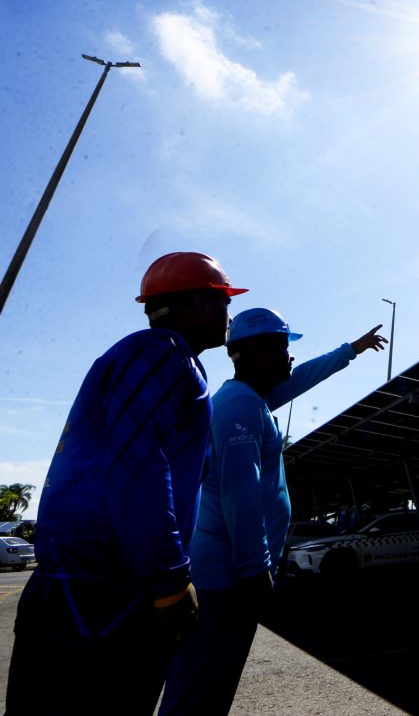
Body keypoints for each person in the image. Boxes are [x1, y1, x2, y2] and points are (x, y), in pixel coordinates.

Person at [4, 252, 248, 715]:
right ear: (199, 301)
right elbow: (138, 465)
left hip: (78, 587)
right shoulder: (164, 354)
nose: (227, 315)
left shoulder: (144, 356)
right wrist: (170, 582)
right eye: (222, 302)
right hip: (104, 597)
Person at [159, 307, 387, 715]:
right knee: (201, 687)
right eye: (283, 347)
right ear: (260, 352)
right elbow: (240, 497)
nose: (290, 356)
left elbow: (302, 378)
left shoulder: (250, 399)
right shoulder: (238, 409)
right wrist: (255, 571)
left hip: (226, 577)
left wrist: (350, 350)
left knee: (210, 685)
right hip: (224, 580)